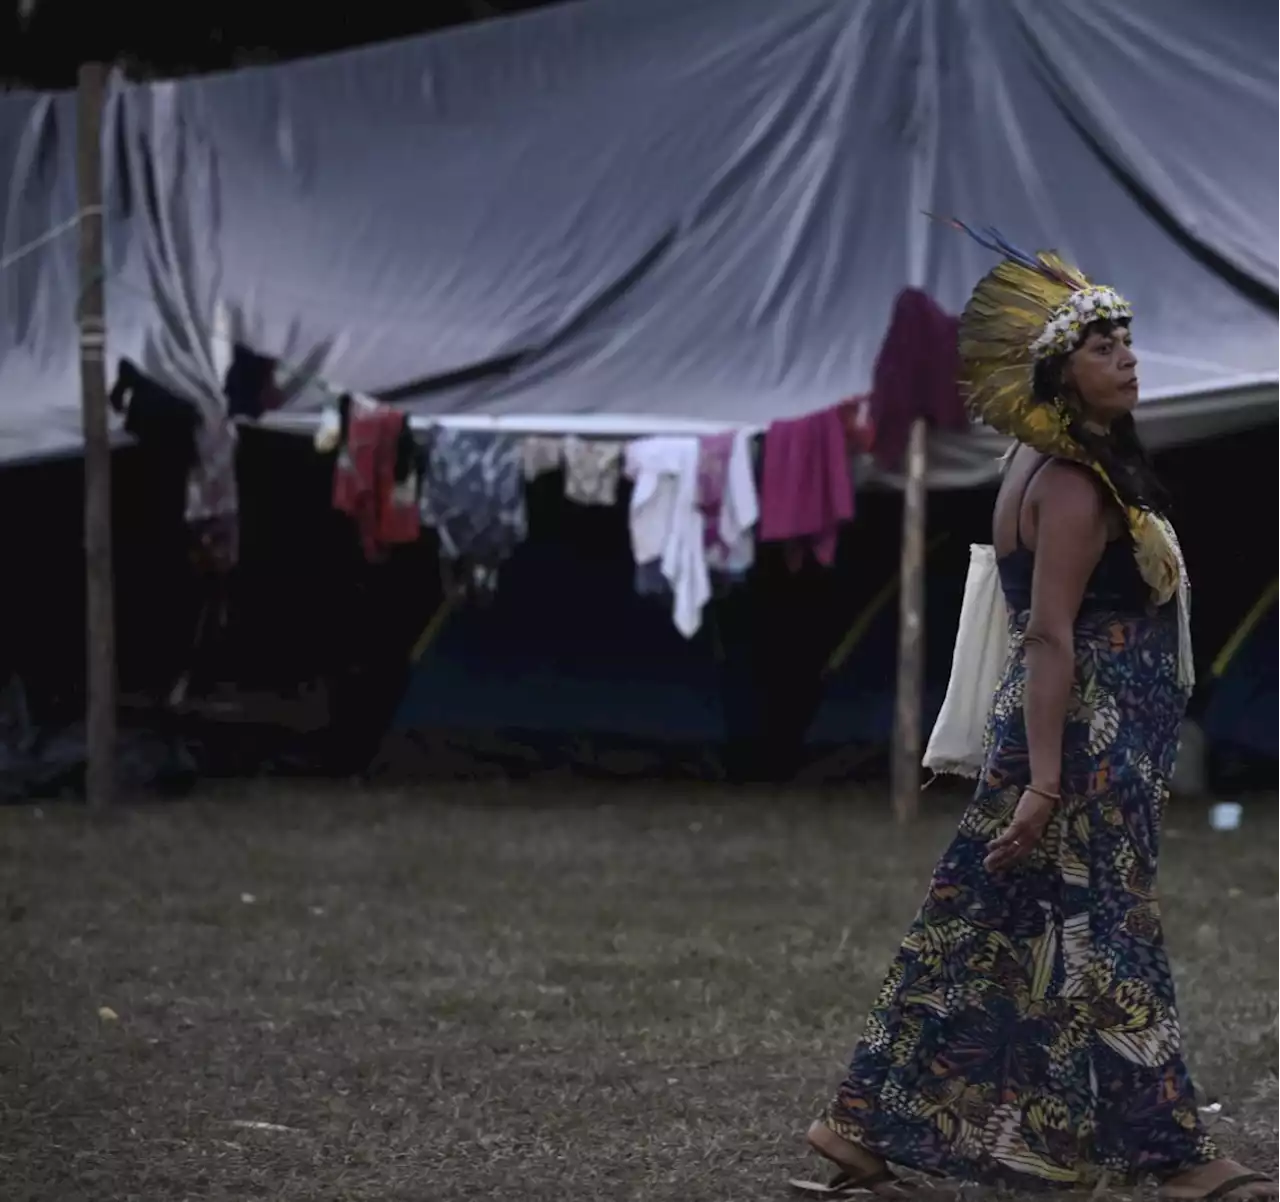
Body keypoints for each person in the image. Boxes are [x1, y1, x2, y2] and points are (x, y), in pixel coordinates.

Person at [799, 236, 1278, 1200]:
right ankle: (1174, 1155)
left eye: (1128, 339)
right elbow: (1049, 635)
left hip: (1075, 737)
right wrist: (1048, 781)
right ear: (1061, 369)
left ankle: (860, 1127)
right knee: (1109, 936)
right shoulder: (1066, 480)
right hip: (1082, 744)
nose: (1128, 358)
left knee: (982, 930)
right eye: (1103, 346)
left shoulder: (1043, 457)